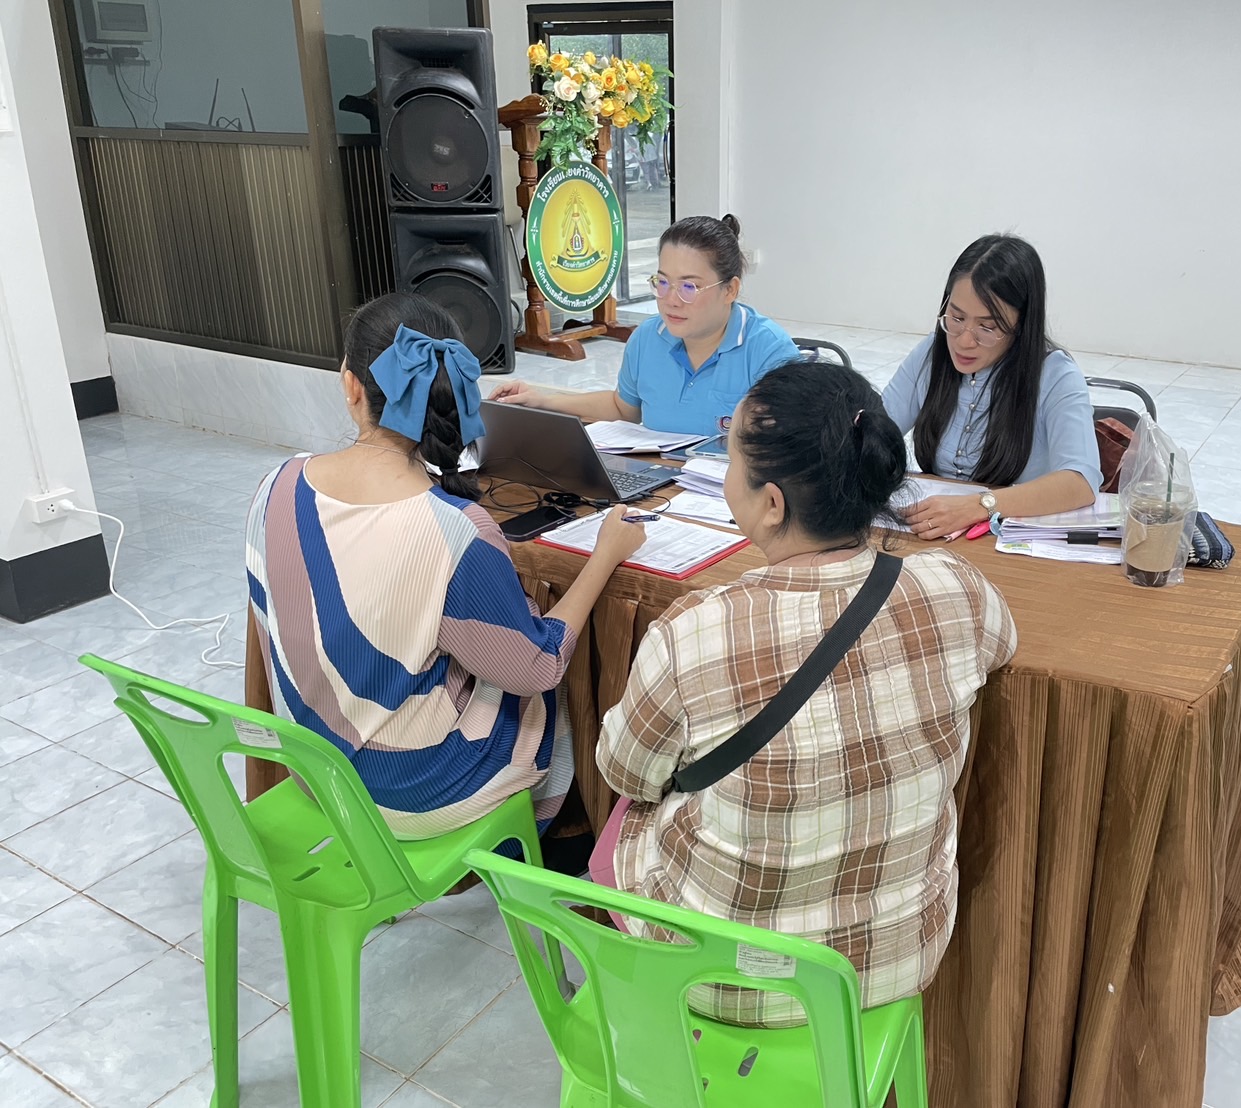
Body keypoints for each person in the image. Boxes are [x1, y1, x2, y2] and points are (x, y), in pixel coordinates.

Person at [591, 360, 1018, 1027]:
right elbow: (1002, 645)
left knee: (626, 824)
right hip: (898, 957)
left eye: (729, 456)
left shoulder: (695, 631)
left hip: (725, 980)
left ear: (771, 504)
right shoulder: (956, 587)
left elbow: (625, 774)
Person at [245, 292, 646, 839]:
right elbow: (537, 666)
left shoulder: (277, 484)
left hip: (315, 771)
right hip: (410, 797)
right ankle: (568, 836)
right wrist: (604, 556)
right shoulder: (456, 529)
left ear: (350, 385)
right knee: (547, 680)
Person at [488, 215, 800, 435]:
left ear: (729, 290)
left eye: (689, 287)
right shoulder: (648, 337)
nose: (671, 300)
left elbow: (791, 448)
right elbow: (623, 408)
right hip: (660, 487)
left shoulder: (768, 350)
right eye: (662, 282)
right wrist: (541, 400)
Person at [883, 234, 1102, 540]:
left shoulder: (1055, 374)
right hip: (935, 537)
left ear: (1021, 325)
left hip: (1008, 542)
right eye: (956, 317)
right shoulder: (932, 353)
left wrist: (979, 505)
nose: (964, 340)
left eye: (987, 327)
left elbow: (1080, 482)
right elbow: (877, 430)